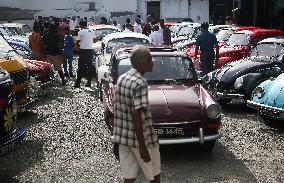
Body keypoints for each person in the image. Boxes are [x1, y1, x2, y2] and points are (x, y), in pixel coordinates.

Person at [112, 45, 160, 183]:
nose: (153, 61)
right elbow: (136, 115)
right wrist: (143, 148)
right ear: (140, 63)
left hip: (124, 138)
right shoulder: (140, 83)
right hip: (142, 140)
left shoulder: (122, 78)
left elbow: (119, 108)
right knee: (154, 176)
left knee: (129, 178)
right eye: (149, 59)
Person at [74, 21, 96, 88]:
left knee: (80, 67)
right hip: (90, 50)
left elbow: (77, 42)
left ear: (81, 25)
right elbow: (94, 40)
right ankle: (89, 82)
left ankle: (78, 83)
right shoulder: (91, 31)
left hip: (83, 51)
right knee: (90, 67)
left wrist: (80, 47)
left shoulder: (81, 32)